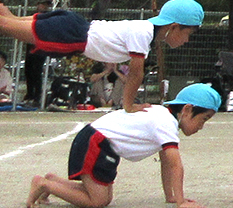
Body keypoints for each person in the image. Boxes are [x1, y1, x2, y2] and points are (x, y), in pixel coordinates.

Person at [0, 0, 204, 113]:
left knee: (9, 20)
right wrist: (129, 105)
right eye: (188, 34)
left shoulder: (144, 30)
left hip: (73, 26)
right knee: (2, 25)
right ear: (175, 26)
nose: (187, 40)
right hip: (72, 35)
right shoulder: (144, 33)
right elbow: (136, 73)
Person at [26, 83, 221, 208]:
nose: (201, 127)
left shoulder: (165, 118)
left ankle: (52, 182)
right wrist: (181, 203)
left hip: (101, 144)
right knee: (98, 201)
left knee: (104, 197)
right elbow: (175, 165)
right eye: (203, 119)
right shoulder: (166, 122)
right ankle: (44, 183)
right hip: (96, 142)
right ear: (187, 110)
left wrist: (171, 196)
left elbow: (166, 163)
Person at [23, 0, 52, 107]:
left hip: (40, 47)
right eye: (42, 4)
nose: (44, 7)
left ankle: (37, 95)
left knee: (37, 71)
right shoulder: (34, 16)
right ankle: (30, 94)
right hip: (31, 46)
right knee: (28, 70)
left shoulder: (47, 17)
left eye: (46, 5)